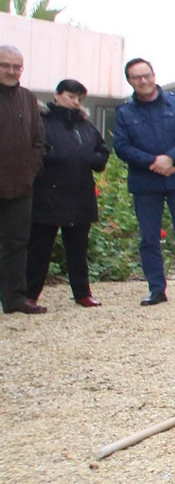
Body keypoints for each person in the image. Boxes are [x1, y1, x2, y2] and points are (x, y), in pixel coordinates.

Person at [113, 58, 175, 306]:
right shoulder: (125, 113)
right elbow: (122, 147)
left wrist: (171, 158)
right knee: (149, 238)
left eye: (147, 75)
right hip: (146, 182)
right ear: (130, 82)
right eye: (137, 78)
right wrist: (154, 163)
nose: (144, 81)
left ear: (154, 75)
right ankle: (156, 290)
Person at [25, 79, 109, 308]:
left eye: (79, 98)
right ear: (57, 95)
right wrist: (58, 156)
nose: (74, 102)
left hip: (80, 194)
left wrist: (91, 159)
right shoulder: (41, 121)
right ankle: (30, 294)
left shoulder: (86, 125)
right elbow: (36, 150)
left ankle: (82, 293)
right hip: (48, 193)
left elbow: (102, 151)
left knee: (78, 249)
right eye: (70, 96)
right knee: (40, 248)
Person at [0, 45, 46, 314]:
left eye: (16, 67)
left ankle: (15, 299)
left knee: (17, 243)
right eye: (5, 65)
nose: (11, 71)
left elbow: (39, 139)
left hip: (21, 184)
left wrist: (33, 167)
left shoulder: (28, 98)